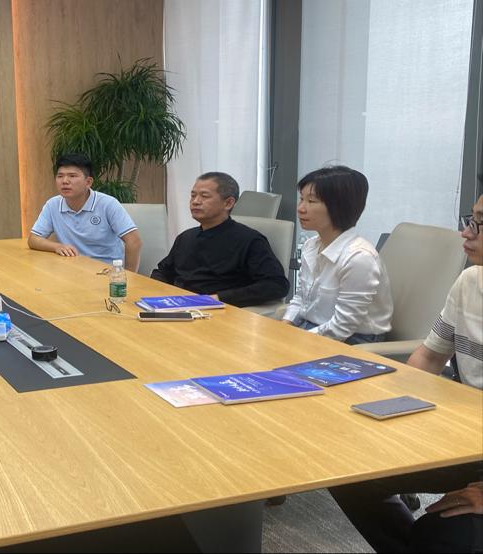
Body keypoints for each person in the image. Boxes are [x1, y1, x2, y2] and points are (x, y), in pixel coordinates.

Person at [329, 194, 483, 553]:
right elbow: (429, 357)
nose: (466, 232)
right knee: (345, 469)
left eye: (481, 224)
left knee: (446, 533)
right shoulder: (470, 282)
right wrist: (398, 415)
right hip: (465, 439)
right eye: (471, 219)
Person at [281, 166, 393, 344]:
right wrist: (283, 327)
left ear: (339, 207)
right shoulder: (311, 245)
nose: (301, 208)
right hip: (312, 327)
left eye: (311, 201)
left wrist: (295, 340)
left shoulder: (359, 258)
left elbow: (342, 327)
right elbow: (301, 298)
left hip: (354, 340)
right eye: (301, 199)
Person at [150, 172, 289, 307]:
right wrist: (164, 294)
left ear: (228, 203)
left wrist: (218, 298)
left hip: (217, 309)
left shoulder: (250, 240)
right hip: (177, 305)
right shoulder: (185, 237)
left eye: (204, 196)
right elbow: (162, 272)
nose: (195, 202)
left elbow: (276, 285)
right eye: (193, 196)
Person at [28, 153, 142, 272]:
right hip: (72, 269)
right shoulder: (53, 205)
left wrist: (128, 277)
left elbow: (134, 242)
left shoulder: (108, 204)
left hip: (106, 271)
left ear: (88, 182)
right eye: (60, 176)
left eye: (72, 176)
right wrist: (57, 246)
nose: (65, 181)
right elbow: (33, 239)